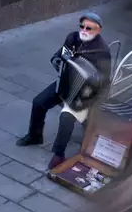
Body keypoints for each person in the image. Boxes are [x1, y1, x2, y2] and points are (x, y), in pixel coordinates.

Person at [16, 13, 112, 170]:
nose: (84, 30)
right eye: (82, 26)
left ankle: (58, 154)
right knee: (38, 102)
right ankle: (35, 136)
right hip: (64, 84)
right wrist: (58, 60)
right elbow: (60, 55)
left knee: (66, 118)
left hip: (85, 94)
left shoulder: (102, 52)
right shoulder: (72, 38)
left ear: (98, 30)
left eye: (89, 28)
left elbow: (104, 80)